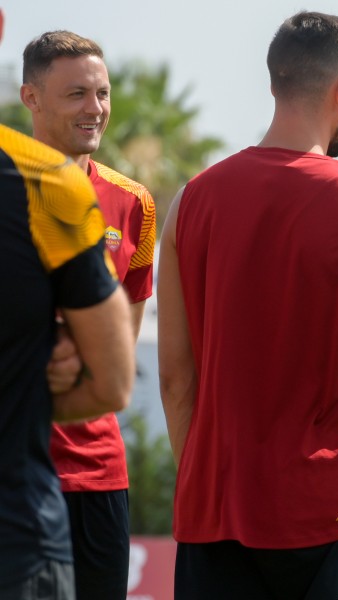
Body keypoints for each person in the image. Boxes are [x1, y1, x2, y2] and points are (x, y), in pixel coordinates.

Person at [157, 11, 338, 600]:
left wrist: (206, 490)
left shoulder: (187, 203)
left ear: (276, 84)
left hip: (212, 521)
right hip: (322, 510)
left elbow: (177, 380)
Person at [0, 8, 135, 598]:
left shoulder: (135, 205)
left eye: (102, 92)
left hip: (94, 471)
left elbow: (117, 360)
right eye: (77, 92)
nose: (95, 107)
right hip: (22, 473)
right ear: (30, 96)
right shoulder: (32, 183)